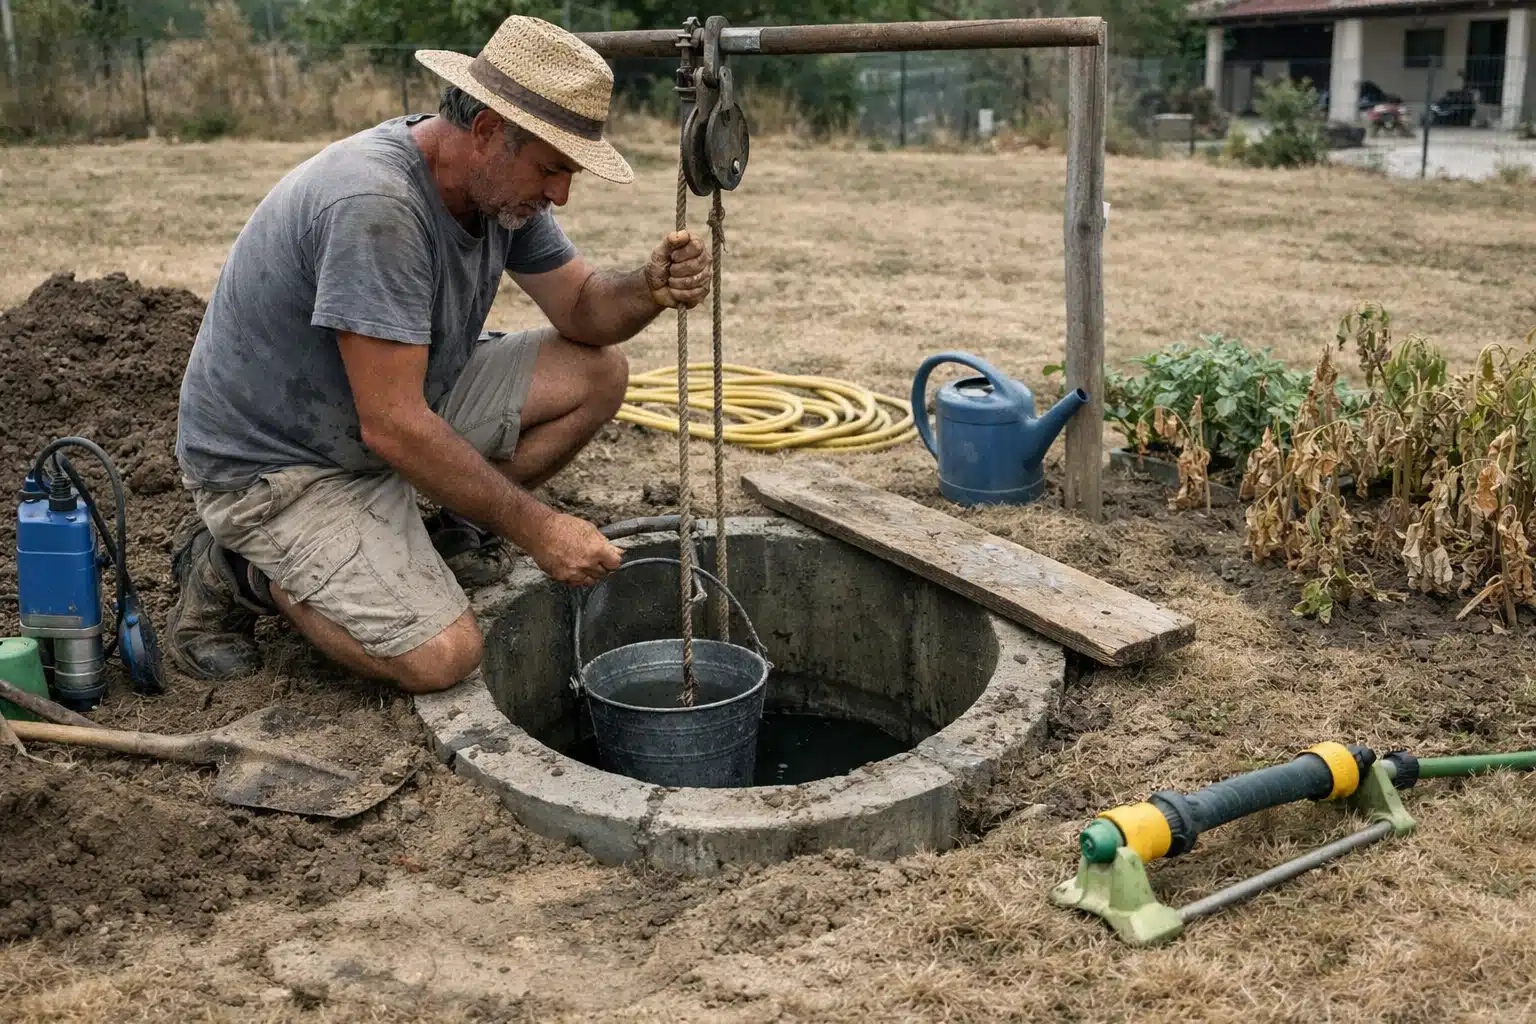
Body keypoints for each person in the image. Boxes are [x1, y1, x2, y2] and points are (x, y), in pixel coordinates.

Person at [166, 16, 711, 694]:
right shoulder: (378, 206)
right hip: (281, 467)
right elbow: (391, 424)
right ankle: (235, 570)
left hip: (388, 411)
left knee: (596, 374)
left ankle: (443, 530)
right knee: (443, 657)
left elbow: (584, 311)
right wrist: (539, 529)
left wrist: (649, 288)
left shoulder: (497, 192)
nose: (560, 194)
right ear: (486, 131)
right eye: (552, 169)